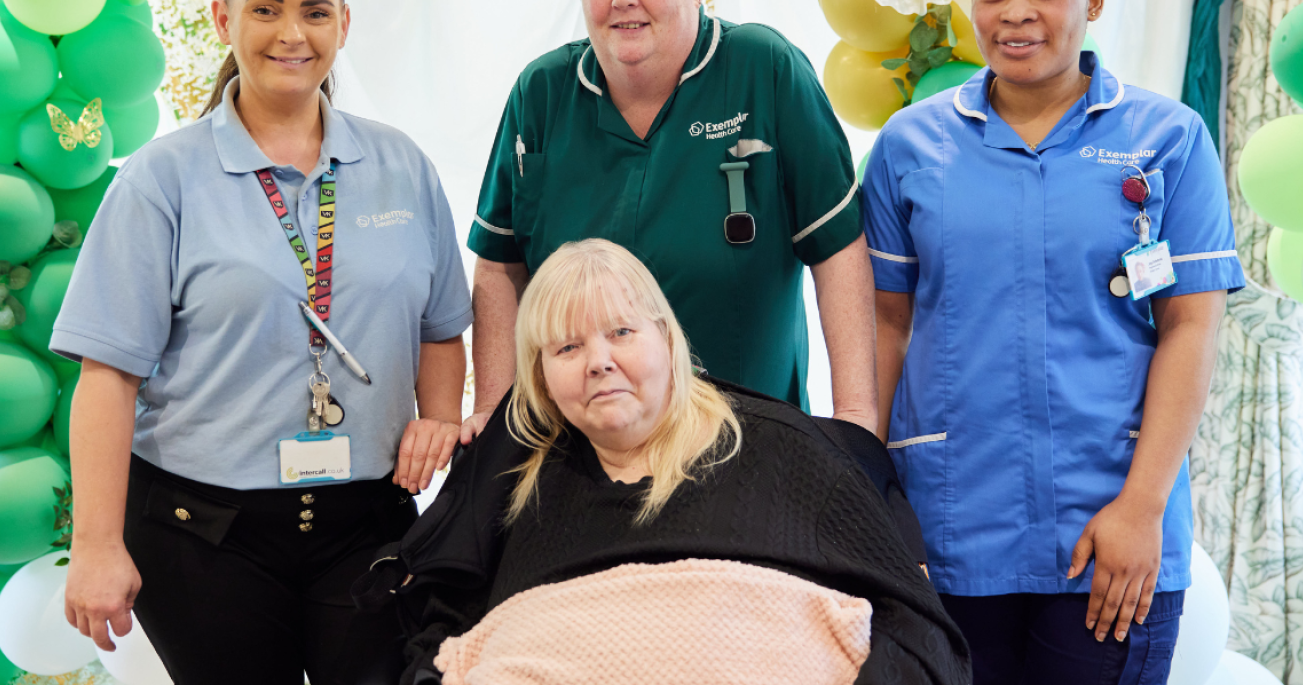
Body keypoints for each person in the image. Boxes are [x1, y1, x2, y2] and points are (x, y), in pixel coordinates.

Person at [861, 0, 1245, 685]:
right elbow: (883, 327)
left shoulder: (1168, 139)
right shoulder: (908, 148)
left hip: (1110, 525)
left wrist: (1142, 508)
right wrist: (867, 500)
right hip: (948, 528)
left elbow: (1191, 325)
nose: (1015, 11)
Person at [55, 0, 473, 685]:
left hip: (368, 526)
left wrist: (439, 419)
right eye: (265, 7)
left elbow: (441, 329)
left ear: (342, 25)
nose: (292, 33)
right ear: (224, 19)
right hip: (204, 537)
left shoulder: (401, 166)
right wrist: (95, 544)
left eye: (315, 11)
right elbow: (107, 378)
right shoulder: (161, 180)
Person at [357, 239, 970, 685]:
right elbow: (439, 638)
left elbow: (919, 634)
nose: (598, 361)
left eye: (621, 332)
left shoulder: (793, 455)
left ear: (669, 341)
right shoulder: (512, 482)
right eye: (567, 346)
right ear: (540, 379)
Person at [464, 0, 877, 440]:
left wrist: (855, 416)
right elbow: (498, 265)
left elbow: (838, 250)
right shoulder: (541, 92)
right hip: (583, 442)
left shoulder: (764, 69)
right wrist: (495, 418)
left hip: (746, 437)